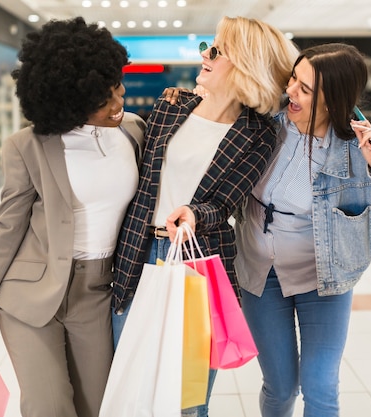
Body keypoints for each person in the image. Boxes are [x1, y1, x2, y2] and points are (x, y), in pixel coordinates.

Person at [0, 17, 145, 417]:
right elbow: (6, 230)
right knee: (48, 407)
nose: (117, 104)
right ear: (68, 103)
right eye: (102, 102)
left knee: (96, 406)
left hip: (97, 293)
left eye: (117, 89)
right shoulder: (27, 146)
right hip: (28, 294)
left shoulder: (134, 132)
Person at [233, 43, 371, 417]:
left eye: (305, 89)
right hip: (261, 274)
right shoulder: (266, 128)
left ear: (332, 100)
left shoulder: (359, 151)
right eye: (294, 79)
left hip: (325, 279)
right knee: (279, 388)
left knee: (320, 388)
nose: (290, 90)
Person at [112, 16, 299, 417]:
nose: (205, 55)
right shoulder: (170, 104)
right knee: (130, 386)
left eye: (216, 50)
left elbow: (227, 203)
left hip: (199, 261)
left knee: (188, 400)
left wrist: (195, 213)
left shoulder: (259, 133)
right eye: (207, 47)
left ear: (247, 65)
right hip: (139, 254)